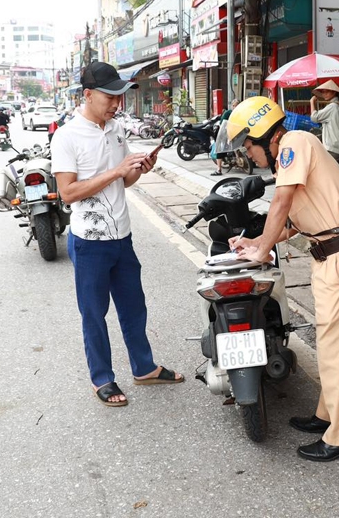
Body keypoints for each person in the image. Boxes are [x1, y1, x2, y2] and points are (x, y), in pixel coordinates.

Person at [220, 96, 339, 463]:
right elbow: (297, 219)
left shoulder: (295, 144)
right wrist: (257, 242)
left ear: (264, 135)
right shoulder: (297, 150)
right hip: (331, 254)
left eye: (249, 145)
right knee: (332, 343)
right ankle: (329, 415)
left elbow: (282, 203)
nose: (249, 155)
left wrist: (261, 248)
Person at [52, 61, 183, 408]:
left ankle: (144, 367)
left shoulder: (116, 130)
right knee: (94, 313)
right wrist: (116, 171)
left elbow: (125, 180)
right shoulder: (66, 136)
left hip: (121, 237)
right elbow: (67, 192)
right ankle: (102, 379)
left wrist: (139, 169)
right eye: (110, 97)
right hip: (89, 241)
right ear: (88, 94)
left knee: (133, 307)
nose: (116, 104)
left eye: (119, 97)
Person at [309, 80, 339, 163]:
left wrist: (312, 102)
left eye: (326, 91)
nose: (324, 94)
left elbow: (314, 117)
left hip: (333, 149)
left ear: (334, 92)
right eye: (323, 92)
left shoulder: (332, 107)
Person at [210, 99, 239, 176]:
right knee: (220, 149)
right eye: (235, 105)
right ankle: (219, 169)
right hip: (224, 133)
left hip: (236, 133)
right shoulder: (227, 113)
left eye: (238, 105)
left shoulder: (240, 114)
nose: (237, 107)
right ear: (233, 106)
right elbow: (223, 125)